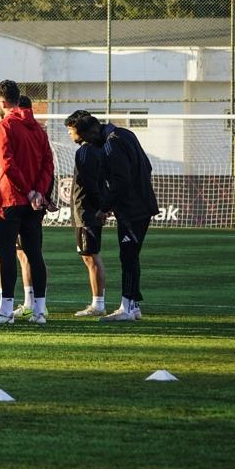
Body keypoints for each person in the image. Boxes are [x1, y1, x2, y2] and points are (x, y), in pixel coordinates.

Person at [67, 111, 159, 322]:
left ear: (91, 133)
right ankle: (133, 306)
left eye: (84, 138)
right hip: (141, 205)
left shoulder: (111, 144)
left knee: (128, 257)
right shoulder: (125, 134)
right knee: (131, 256)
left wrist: (104, 207)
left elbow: (120, 182)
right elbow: (147, 166)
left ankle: (126, 307)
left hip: (132, 209)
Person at [0, 80, 54, 325]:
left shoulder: (4, 125)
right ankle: (39, 310)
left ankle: (5, 310)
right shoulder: (38, 128)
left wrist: (27, 190)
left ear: (2, 102)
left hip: (11, 198)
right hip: (33, 202)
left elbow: (7, 163)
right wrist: (38, 191)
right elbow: (48, 163)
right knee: (34, 253)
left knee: (7, 253)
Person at [62, 110, 109, 318]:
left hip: (86, 210)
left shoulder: (86, 152)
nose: (70, 135)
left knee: (91, 257)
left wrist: (101, 206)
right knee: (89, 256)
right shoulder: (94, 150)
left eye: (71, 130)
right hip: (86, 210)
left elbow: (90, 183)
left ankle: (98, 304)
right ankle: (97, 302)